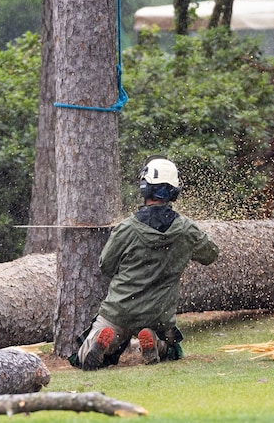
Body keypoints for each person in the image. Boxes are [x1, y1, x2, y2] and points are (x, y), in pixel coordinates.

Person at [74, 156, 220, 370]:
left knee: (83, 357)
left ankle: (99, 341)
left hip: (119, 310)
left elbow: (105, 265)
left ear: (144, 187)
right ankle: (154, 341)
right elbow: (210, 254)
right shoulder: (186, 229)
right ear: (173, 191)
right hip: (158, 314)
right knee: (171, 351)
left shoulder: (126, 228)